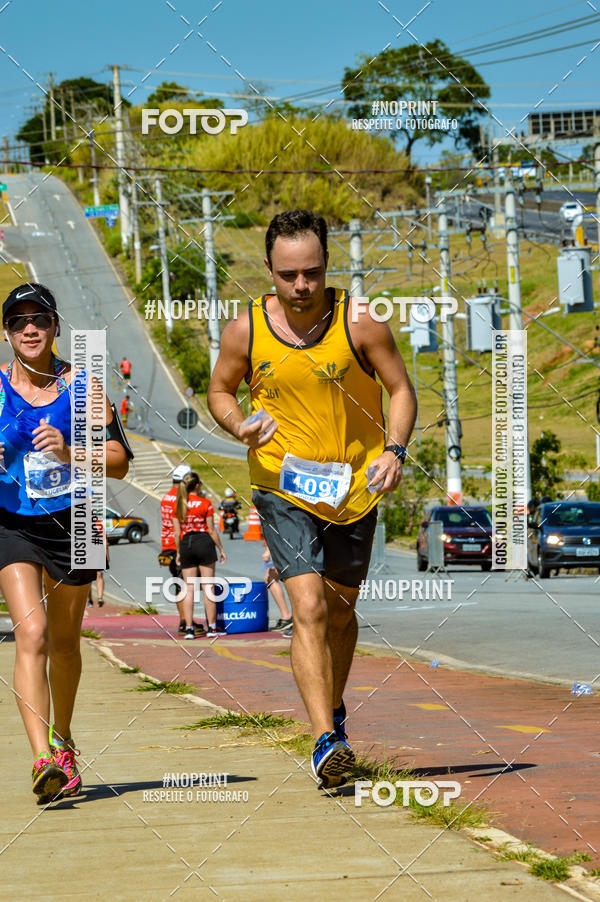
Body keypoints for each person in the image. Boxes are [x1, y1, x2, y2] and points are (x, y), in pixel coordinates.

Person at [208, 209, 416, 789]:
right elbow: (220, 389)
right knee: (310, 608)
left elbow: (401, 389)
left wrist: (394, 451)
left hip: (356, 484)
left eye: (312, 273)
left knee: (343, 613)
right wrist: (237, 424)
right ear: (268, 271)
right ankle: (326, 741)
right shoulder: (245, 330)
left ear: (327, 265)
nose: (301, 287)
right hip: (282, 482)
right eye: (288, 275)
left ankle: (334, 710)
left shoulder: (362, 321)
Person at [0, 282, 131, 804]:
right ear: (7, 333)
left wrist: (73, 450)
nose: (29, 329)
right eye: (17, 321)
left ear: (55, 327)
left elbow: (120, 462)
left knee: (63, 642)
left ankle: (64, 738)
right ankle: (41, 760)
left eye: (39, 319)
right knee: (29, 633)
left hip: (74, 522)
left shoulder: (84, 388)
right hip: (10, 522)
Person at [172, 471, 226, 640]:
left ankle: (189, 628)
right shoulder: (206, 503)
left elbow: (176, 533)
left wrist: (179, 551)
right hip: (204, 542)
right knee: (208, 587)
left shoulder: (179, 505)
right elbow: (211, 530)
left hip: (187, 543)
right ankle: (211, 627)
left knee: (188, 589)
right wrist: (221, 549)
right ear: (196, 486)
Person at [159, 463, 204, 635]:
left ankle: (185, 620)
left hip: (167, 545)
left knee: (179, 584)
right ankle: (186, 624)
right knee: (188, 585)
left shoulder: (166, 497)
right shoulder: (183, 498)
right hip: (182, 545)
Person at [262, 543, 292, 632]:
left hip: (288, 546)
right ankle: (288, 617)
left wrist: (268, 551)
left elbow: (274, 530)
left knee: (271, 578)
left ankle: (289, 618)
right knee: (270, 577)